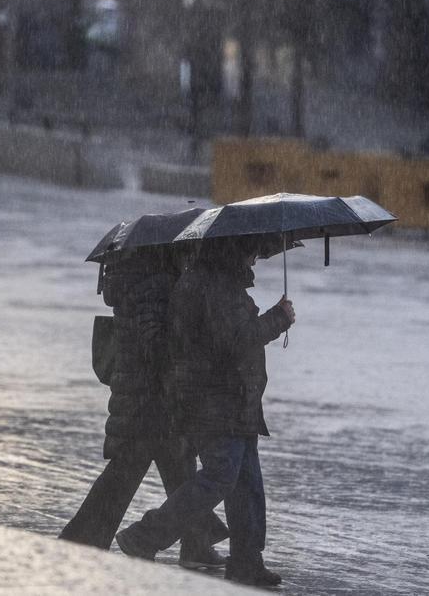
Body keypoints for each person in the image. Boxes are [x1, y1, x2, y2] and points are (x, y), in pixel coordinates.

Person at [115, 236, 295, 587]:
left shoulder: (217, 280)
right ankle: (145, 536)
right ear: (235, 249)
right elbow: (235, 339)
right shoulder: (215, 285)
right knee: (221, 477)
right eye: (253, 250)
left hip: (234, 400)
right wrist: (279, 318)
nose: (256, 257)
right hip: (215, 400)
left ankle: (245, 561)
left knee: (246, 485)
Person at [60, 248, 227, 568]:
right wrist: (189, 337)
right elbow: (155, 343)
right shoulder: (155, 286)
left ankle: (196, 542)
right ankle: (86, 540)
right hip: (151, 398)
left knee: (175, 465)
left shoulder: (142, 281)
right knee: (132, 470)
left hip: (143, 393)